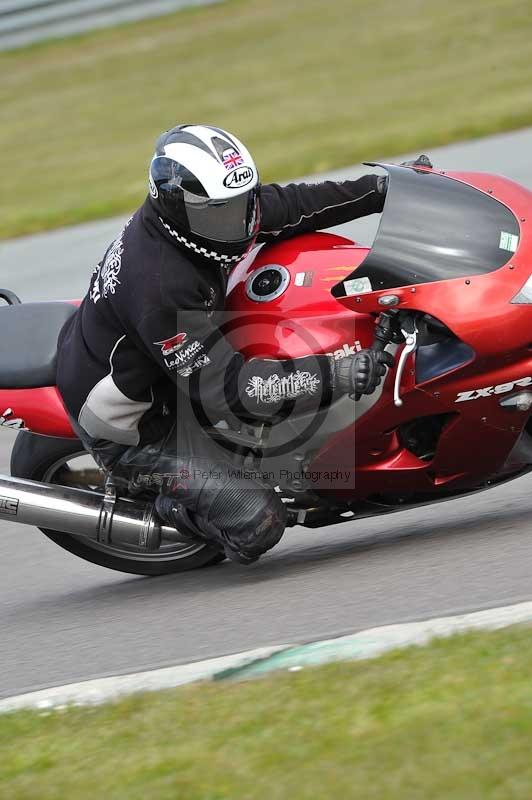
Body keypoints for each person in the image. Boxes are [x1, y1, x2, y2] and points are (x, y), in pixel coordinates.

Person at [57, 124, 424, 565]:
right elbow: (232, 391)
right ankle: (166, 507)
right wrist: (336, 372)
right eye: (223, 212)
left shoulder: (209, 215)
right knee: (257, 522)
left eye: (243, 203)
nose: (241, 223)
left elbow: (293, 205)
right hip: (138, 426)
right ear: (176, 204)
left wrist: (384, 190)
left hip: (166, 368)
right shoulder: (161, 287)